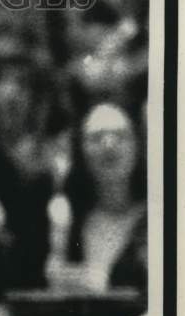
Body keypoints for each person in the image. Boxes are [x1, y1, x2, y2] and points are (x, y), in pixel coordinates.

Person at [45, 102, 146, 294]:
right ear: (80, 151)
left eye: (121, 135)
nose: (109, 144)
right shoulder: (65, 215)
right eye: (96, 137)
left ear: (139, 147)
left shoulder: (160, 213)